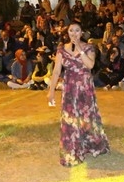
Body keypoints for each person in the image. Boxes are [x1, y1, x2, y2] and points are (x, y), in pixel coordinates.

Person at [47, 22, 110, 167]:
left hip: (85, 88)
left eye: (77, 30)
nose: (74, 33)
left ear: (81, 32)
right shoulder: (61, 50)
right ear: (67, 32)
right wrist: (51, 92)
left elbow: (90, 65)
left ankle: (91, 144)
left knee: (86, 117)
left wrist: (80, 48)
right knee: (70, 119)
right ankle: (73, 150)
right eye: (71, 30)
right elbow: (56, 71)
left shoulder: (89, 48)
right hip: (69, 88)